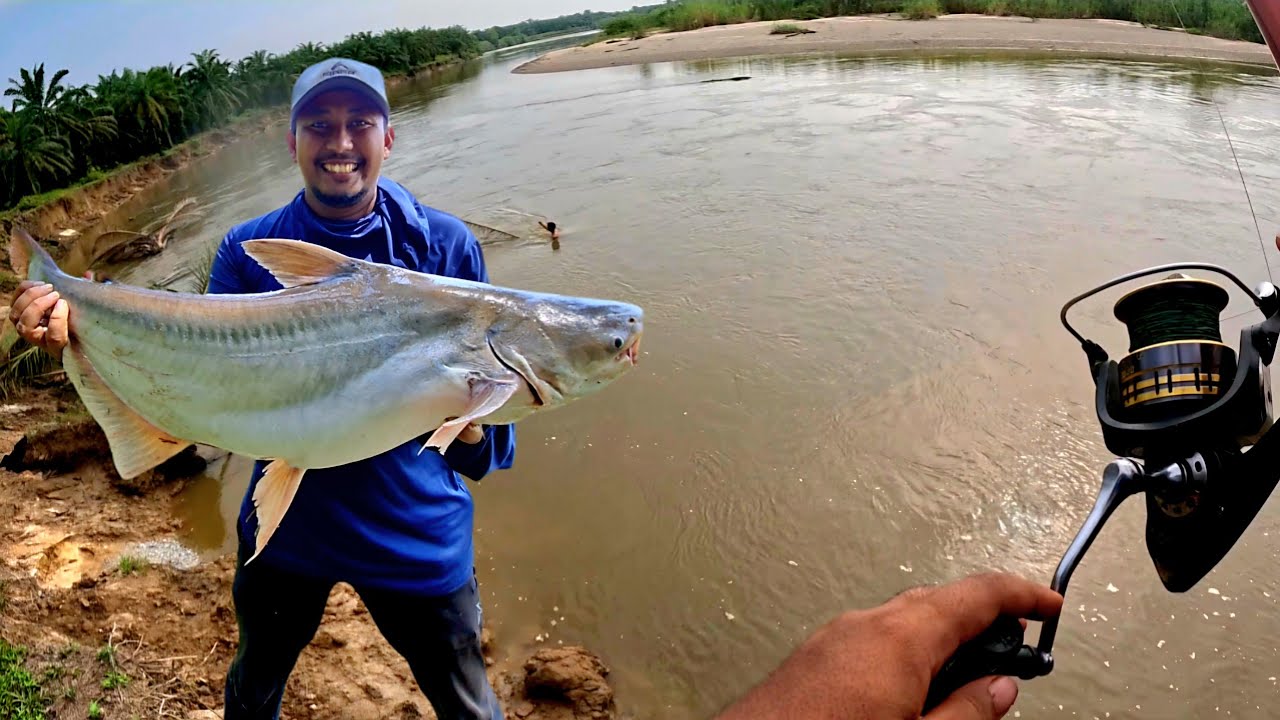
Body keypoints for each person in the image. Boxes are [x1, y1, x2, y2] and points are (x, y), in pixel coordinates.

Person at [5, 62, 1063, 720]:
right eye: (318, 126)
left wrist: (467, 428)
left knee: (468, 701)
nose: (338, 144)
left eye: (356, 124)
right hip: (287, 530)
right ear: (294, 142)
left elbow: (483, 441)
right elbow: (217, 352)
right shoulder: (246, 248)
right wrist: (72, 316)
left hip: (417, 542)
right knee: (254, 683)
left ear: (385, 136)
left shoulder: (448, 250)